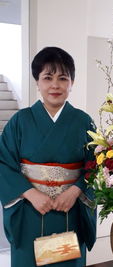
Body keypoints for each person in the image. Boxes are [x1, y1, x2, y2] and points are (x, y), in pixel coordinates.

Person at [0, 47, 97, 267]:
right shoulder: (20, 121)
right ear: (37, 82)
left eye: (63, 78)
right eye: (47, 77)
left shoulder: (83, 121)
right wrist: (31, 193)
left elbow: (97, 166)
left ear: (71, 82)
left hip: (69, 209)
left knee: (67, 260)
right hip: (29, 209)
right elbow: (3, 163)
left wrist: (75, 191)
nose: (55, 85)